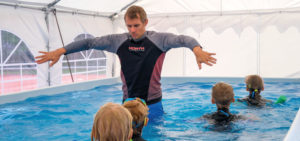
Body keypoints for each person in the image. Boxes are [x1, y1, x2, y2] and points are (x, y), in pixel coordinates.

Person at [35, 5, 217, 118]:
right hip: (127, 103)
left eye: (136, 25)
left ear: (145, 22)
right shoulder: (118, 41)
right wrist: (61, 51)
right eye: (129, 26)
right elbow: (89, 43)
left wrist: (196, 49)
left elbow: (183, 39)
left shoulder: (159, 40)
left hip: (153, 104)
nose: (132, 30)